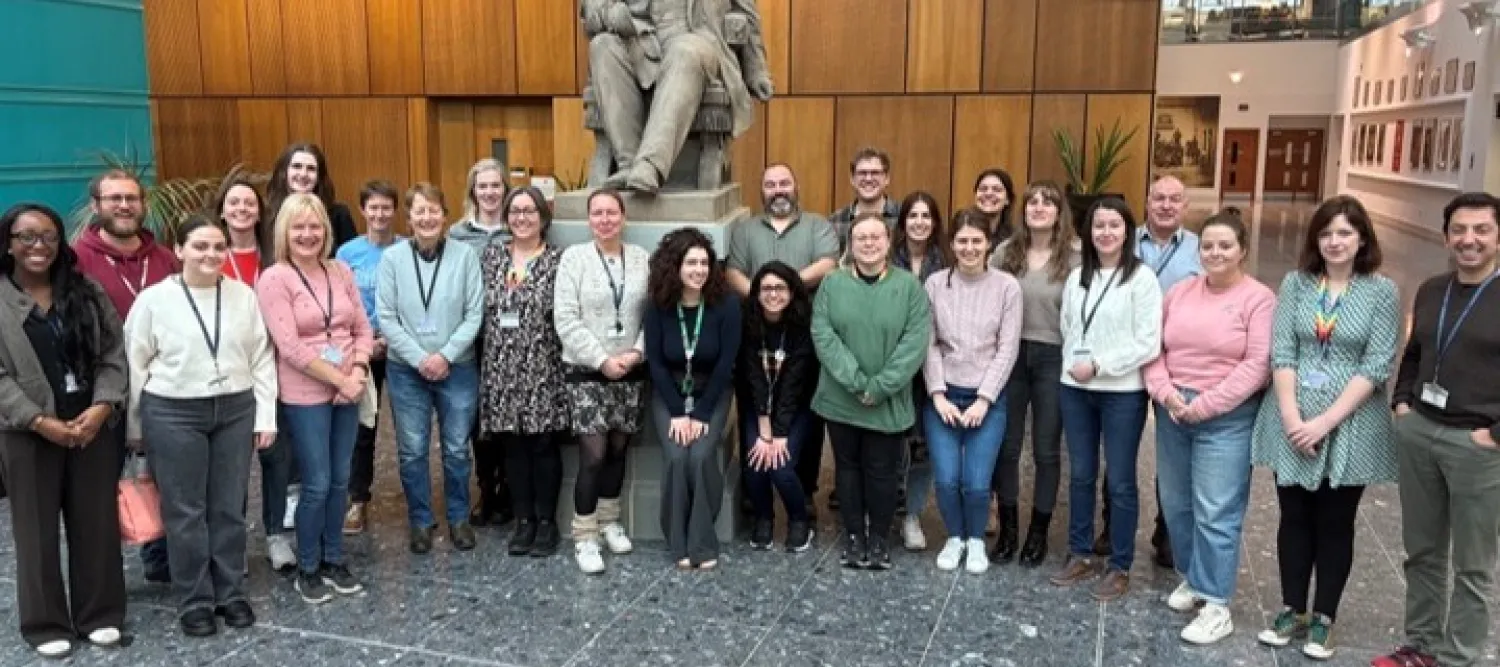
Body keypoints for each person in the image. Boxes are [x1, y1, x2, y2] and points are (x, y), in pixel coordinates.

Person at [1250, 196, 1399, 660]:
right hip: (1291, 417)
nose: (1335, 242)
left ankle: (1324, 618)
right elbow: (1283, 352)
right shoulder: (1296, 284)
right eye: (1327, 233)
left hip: (1350, 423)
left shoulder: (1381, 292)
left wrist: (1326, 422)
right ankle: (1291, 608)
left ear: (1362, 240)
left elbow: (1377, 364)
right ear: (1316, 239)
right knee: (1293, 517)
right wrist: (1294, 419)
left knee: (1336, 523)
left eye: (1345, 233)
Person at [124, 215, 278, 637]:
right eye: (200, 246)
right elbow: (136, 364)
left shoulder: (243, 296)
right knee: (185, 510)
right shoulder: (153, 300)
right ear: (179, 250)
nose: (210, 255)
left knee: (228, 506)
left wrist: (265, 415)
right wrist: (136, 428)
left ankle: (230, 592)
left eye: (217, 247)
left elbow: (261, 357)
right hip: (173, 410)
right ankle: (195, 599)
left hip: (234, 407)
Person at [1374, 192, 1500, 667]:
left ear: (1498, 236)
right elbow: (1413, 352)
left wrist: (1494, 435)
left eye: (1482, 230)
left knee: (1472, 565)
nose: (1469, 240)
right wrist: (1402, 402)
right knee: (1422, 551)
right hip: (1422, 430)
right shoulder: (1431, 289)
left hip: (1478, 445)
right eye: (1460, 231)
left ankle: (1458, 656)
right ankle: (1421, 645)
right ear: (1447, 237)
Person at [0, 203, 127, 659]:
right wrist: (38, 420)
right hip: (27, 432)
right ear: (9, 243)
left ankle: (100, 614)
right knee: (35, 530)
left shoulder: (86, 292)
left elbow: (114, 353)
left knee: (96, 524)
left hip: (89, 426)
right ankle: (45, 622)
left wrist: (102, 406)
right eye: (26, 237)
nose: (39, 246)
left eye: (49, 237)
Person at [1143, 213, 1275, 645]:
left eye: (1225, 246)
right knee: (1176, 504)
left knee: (1216, 509)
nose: (1215, 254)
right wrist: (1164, 393)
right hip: (1174, 409)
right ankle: (1194, 578)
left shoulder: (1258, 299)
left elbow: (1257, 365)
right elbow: (1154, 348)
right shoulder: (1180, 292)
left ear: (1242, 250)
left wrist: (1206, 406)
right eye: (1208, 246)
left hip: (1226, 417)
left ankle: (1217, 604)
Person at [257, 193, 373, 604]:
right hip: (305, 392)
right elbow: (289, 346)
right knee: (317, 482)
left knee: (341, 480)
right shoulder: (275, 278)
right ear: (284, 233)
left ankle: (334, 558)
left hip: (348, 386)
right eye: (298, 227)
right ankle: (307, 566)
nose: (308, 234)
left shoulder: (340, 270)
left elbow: (362, 327)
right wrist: (340, 381)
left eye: (315, 226)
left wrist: (357, 371)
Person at [1049, 197, 1161, 602]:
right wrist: (1078, 368)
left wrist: (1099, 365)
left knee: (1120, 480)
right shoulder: (1078, 275)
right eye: (1099, 226)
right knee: (1080, 474)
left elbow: (1148, 342)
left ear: (1127, 231)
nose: (1106, 233)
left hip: (1121, 393)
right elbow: (1067, 326)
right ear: (1088, 231)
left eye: (1115, 225)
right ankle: (1079, 552)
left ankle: (1119, 565)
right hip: (1075, 390)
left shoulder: (1142, 279)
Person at [71, 168, 178, 583]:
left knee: (163, 477)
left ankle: (163, 560)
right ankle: (102, 577)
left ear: (143, 205)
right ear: (97, 206)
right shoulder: (78, 259)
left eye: (131, 198)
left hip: (160, 389)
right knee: (101, 485)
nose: (124, 205)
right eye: (114, 198)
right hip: (101, 391)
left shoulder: (164, 258)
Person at [812, 212, 931, 570]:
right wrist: (857, 382)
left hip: (887, 400)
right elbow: (823, 334)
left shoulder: (909, 287)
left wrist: (879, 387)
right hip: (841, 399)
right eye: (860, 237)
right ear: (850, 243)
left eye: (875, 237)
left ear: (888, 241)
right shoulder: (831, 284)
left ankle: (878, 538)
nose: (868, 243)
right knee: (846, 469)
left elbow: (914, 342)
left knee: (882, 471)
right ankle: (853, 536)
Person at [1098, 174, 1202, 566]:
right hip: (1121, 361)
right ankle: (1112, 527)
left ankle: (1167, 530)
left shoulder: (1198, 249)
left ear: (1185, 206)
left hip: (1173, 363)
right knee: (1119, 451)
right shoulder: (1122, 239)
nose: (1166, 206)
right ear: (1146, 202)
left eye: (1175, 199)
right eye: (1159, 198)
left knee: (1172, 450)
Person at [724, 163, 838, 515]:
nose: (778, 190)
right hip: (757, 333)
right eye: (771, 184)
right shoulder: (745, 230)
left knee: (806, 410)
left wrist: (783, 288)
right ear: (763, 191)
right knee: (754, 401)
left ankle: (803, 488)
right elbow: (732, 272)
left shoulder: (818, 225)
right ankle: (753, 485)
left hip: (806, 336)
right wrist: (765, 295)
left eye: (784, 183)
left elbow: (827, 265)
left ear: (796, 186)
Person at [378, 183, 486, 554]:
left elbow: (475, 314)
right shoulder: (392, 259)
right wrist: (420, 358)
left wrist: (445, 355)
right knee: (412, 449)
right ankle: (421, 520)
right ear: (408, 218)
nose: (427, 218)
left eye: (433, 210)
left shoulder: (465, 257)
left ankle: (458, 517)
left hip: (457, 368)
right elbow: (387, 319)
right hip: (406, 370)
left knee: (456, 448)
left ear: (445, 215)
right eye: (419, 211)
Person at [554, 189, 650, 574]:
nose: (605, 219)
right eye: (597, 213)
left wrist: (635, 354)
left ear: (623, 217)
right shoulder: (574, 259)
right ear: (589, 219)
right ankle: (584, 535)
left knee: (617, 449)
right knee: (593, 455)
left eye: (612, 212)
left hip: (630, 369)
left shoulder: (642, 259)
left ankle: (610, 520)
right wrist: (601, 359)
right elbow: (565, 317)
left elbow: (654, 314)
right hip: (586, 370)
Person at [582, 0, 773, 192]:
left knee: (683, 51)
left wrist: (756, 71)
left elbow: (748, 15)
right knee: (602, 45)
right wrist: (608, 13)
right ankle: (627, 164)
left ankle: (649, 164)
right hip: (638, 39)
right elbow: (592, 6)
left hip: (697, 39)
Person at [922, 214, 1022, 574]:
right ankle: (955, 537)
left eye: (976, 241)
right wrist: (937, 394)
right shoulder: (935, 284)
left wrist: (984, 399)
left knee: (977, 483)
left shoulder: (1007, 287)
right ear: (952, 244)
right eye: (962, 241)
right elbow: (928, 343)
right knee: (947, 478)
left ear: (989, 244)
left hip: (987, 399)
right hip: (944, 395)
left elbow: (1007, 349)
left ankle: (977, 539)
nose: (969, 248)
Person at [990, 180, 1078, 567]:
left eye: (1048, 201)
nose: (1039, 207)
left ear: (1060, 212)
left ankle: (1038, 532)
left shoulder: (1076, 257)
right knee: (1006, 447)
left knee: (1045, 448)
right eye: (1032, 202)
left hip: (1054, 356)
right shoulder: (1005, 253)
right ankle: (1008, 527)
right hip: (1010, 355)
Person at [210, 177, 297, 571]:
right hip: (229, 374)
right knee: (232, 464)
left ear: (260, 212)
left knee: (277, 459)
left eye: (249, 203)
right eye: (234, 203)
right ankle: (233, 545)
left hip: (276, 372)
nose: (242, 209)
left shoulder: (275, 258)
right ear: (223, 210)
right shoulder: (210, 256)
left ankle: (277, 535)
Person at [479, 186, 569, 557]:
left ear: (542, 217)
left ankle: (546, 522)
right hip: (500, 366)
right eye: (515, 211)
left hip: (543, 365)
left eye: (529, 210)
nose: (522, 217)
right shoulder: (491, 258)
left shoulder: (557, 260)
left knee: (543, 445)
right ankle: (523, 520)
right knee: (512, 447)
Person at [644, 228, 741, 569]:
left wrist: (700, 414)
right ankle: (677, 541)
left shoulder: (727, 305)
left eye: (704, 262)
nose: (699, 270)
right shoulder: (657, 305)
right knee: (675, 456)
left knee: (700, 456)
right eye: (691, 263)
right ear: (675, 266)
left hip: (711, 393)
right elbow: (655, 362)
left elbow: (726, 364)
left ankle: (701, 541)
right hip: (669, 392)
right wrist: (676, 413)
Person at [336, 180, 404, 536]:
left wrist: (392, 339)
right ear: (363, 210)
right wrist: (366, 343)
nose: (379, 214)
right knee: (364, 426)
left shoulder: (406, 249)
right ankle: (357, 499)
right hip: (362, 349)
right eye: (372, 208)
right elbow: (341, 303)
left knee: (411, 428)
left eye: (386, 207)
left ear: (395, 210)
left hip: (402, 349)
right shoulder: (346, 254)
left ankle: (417, 496)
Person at [449, 158, 514, 528]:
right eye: (483, 186)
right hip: (470, 341)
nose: (490, 193)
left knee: (506, 413)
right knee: (476, 418)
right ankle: (485, 489)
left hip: (511, 341)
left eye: (496, 185)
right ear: (473, 191)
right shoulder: (457, 235)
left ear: (505, 189)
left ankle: (508, 489)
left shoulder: (519, 228)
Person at [737, 262, 817, 553]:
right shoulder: (746, 322)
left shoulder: (803, 324)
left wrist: (779, 433)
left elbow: (795, 383)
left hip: (796, 407)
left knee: (781, 466)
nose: (773, 294)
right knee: (757, 463)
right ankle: (763, 518)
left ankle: (799, 520)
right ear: (756, 292)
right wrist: (764, 427)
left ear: (792, 291)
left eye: (780, 288)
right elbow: (752, 376)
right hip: (757, 407)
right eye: (766, 288)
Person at [894, 191, 950, 552]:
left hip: (933, 365)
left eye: (926, 216)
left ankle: (912, 514)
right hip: (893, 364)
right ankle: (882, 510)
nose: (919, 222)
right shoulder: (886, 257)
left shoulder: (947, 260)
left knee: (923, 446)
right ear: (902, 222)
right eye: (912, 215)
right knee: (888, 444)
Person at [265, 143, 357, 252]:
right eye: (297, 166)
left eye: (311, 168)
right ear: (284, 172)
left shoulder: (339, 214)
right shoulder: (266, 214)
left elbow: (352, 257)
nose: (304, 174)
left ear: (319, 177)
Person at [830, 147, 901, 253]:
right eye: (862, 173)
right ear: (852, 179)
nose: (868, 179)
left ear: (887, 179)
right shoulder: (835, 222)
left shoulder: (903, 217)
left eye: (875, 173)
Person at [972, 169, 1016, 245]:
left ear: (1007, 199)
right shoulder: (960, 233)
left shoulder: (1015, 240)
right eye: (983, 189)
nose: (988, 193)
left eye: (997, 190)